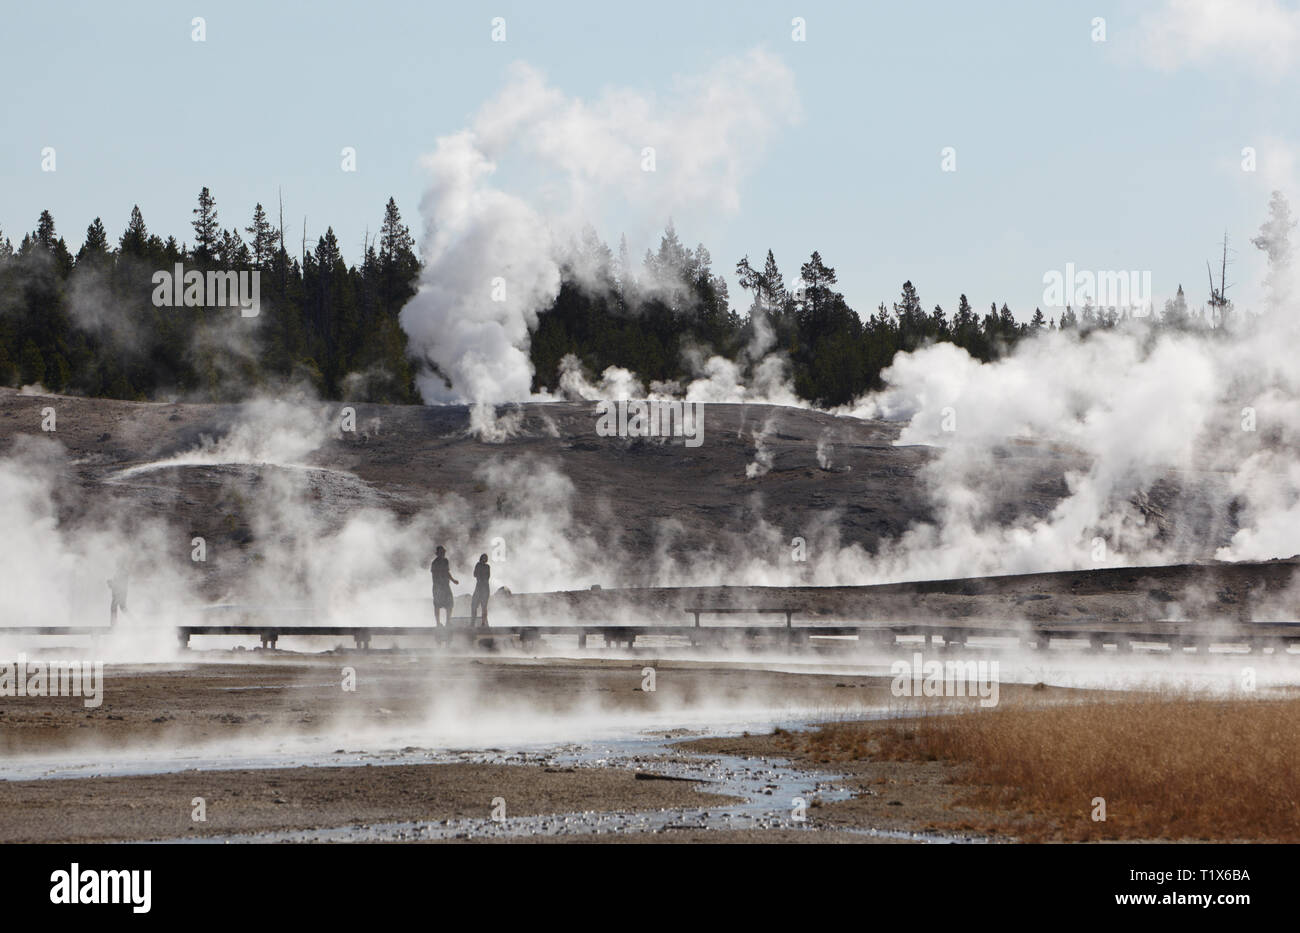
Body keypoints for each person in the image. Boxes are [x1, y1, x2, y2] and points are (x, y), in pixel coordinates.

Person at [430, 546, 458, 626]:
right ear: (438, 553)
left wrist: (453, 580)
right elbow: (434, 574)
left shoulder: (446, 561)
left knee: (450, 604)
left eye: (444, 552)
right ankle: (438, 623)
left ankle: (448, 622)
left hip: (446, 586)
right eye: (441, 552)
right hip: (438, 586)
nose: (443, 553)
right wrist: (439, 584)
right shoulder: (434, 563)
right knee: (437, 605)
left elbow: (447, 572)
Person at [470, 554, 491, 626]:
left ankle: (483, 622)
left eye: (485, 558)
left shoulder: (487, 566)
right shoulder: (478, 565)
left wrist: (480, 577)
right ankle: (473, 622)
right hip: (480, 587)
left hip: (483, 588)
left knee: (483, 606)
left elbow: (486, 577)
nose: (484, 559)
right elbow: (475, 574)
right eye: (483, 558)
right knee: (474, 605)